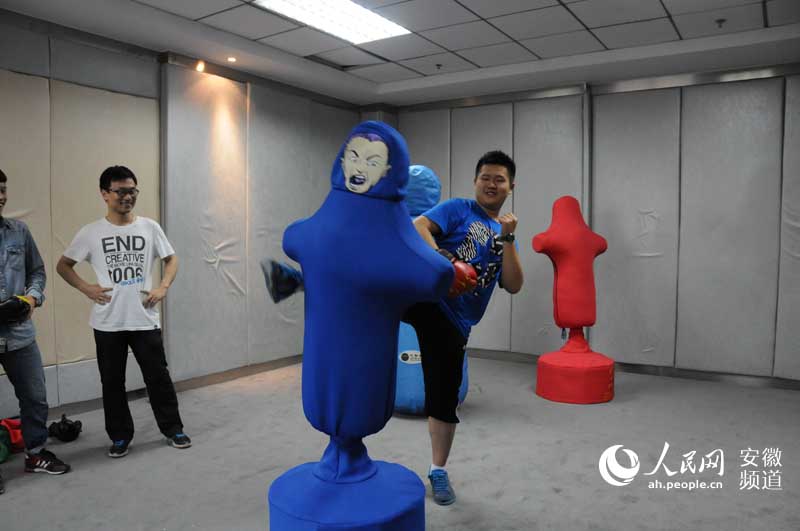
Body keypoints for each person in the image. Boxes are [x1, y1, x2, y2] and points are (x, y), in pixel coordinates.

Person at [263, 151, 524, 506]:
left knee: (444, 400)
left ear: (511, 186)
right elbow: (419, 227)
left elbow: (514, 284)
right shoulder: (459, 209)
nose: (491, 184)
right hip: (426, 294)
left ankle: (438, 471)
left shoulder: (504, 233)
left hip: (455, 323)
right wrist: (447, 263)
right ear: (475, 181)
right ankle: (300, 280)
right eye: (485, 177)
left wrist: (508, 239)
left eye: (499, 179)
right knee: (372, 285)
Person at [56, 165, 190, 458]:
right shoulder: (91, 232)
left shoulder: (149, 227)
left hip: (144, 318)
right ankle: (119, 436)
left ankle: (173, 429)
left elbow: (171, 258)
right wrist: (86, 288)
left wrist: (163, 286)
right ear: (105, 194)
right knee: (112, 382)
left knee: (158, 377)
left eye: (132, 191)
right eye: (120, 192)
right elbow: (63, 266)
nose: (127, 197)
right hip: (108, 321)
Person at [0, 168, 70, 495]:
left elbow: (37, 272)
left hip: (20, 334)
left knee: (35, 395)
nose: (1, 197)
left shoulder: (19, 231)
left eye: (3, 189)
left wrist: (31, 298)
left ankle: (36, 453)